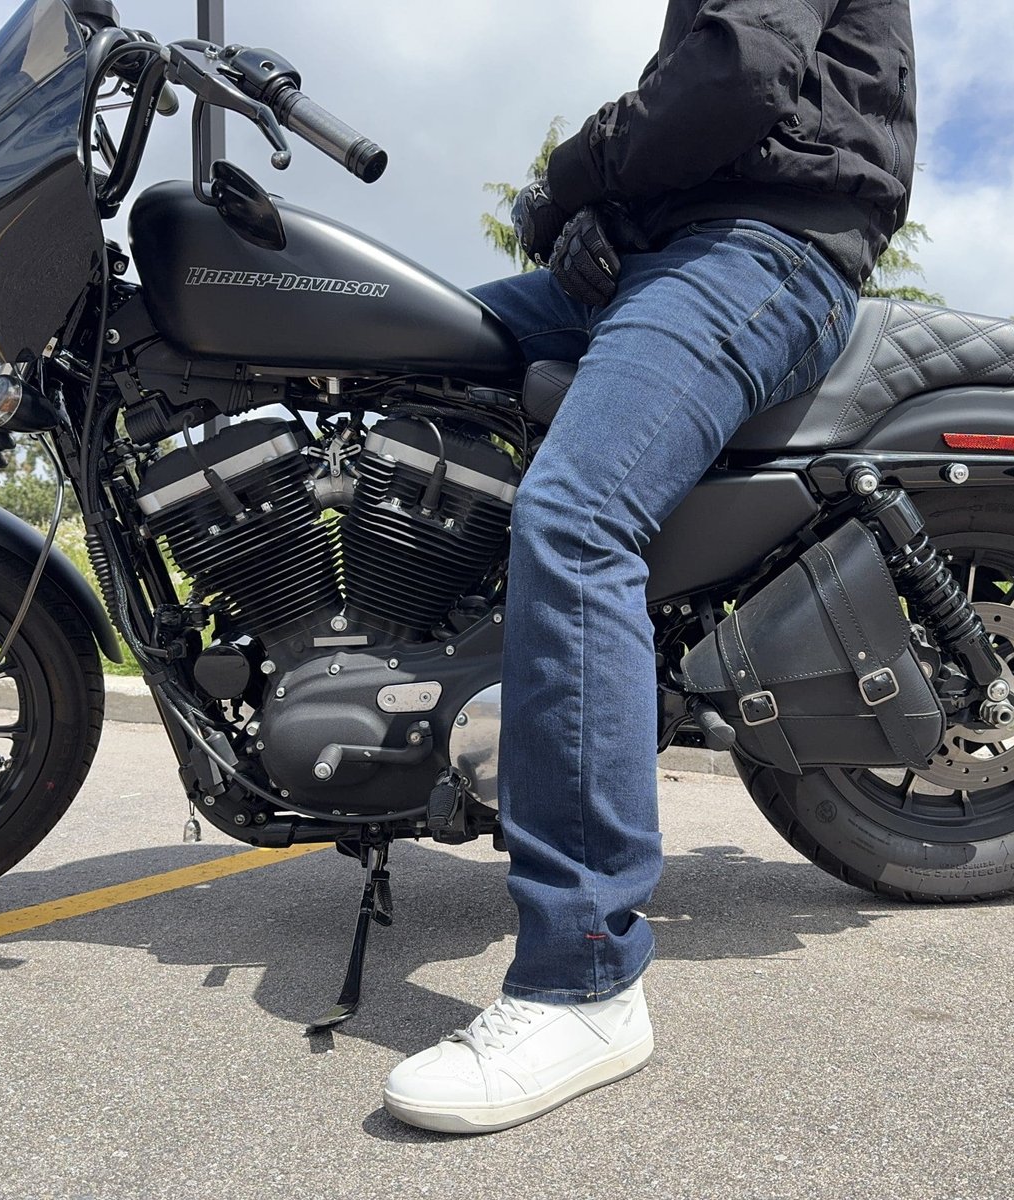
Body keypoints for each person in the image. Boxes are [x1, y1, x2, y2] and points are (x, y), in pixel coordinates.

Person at [383, 0, 917, 1134]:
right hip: (665, 248)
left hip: (768, 246)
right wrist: (607, 212)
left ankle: (585, 980)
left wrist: (575, 178)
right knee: (385, 355)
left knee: (574, 517)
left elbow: (741, 73)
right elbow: (697, 114)